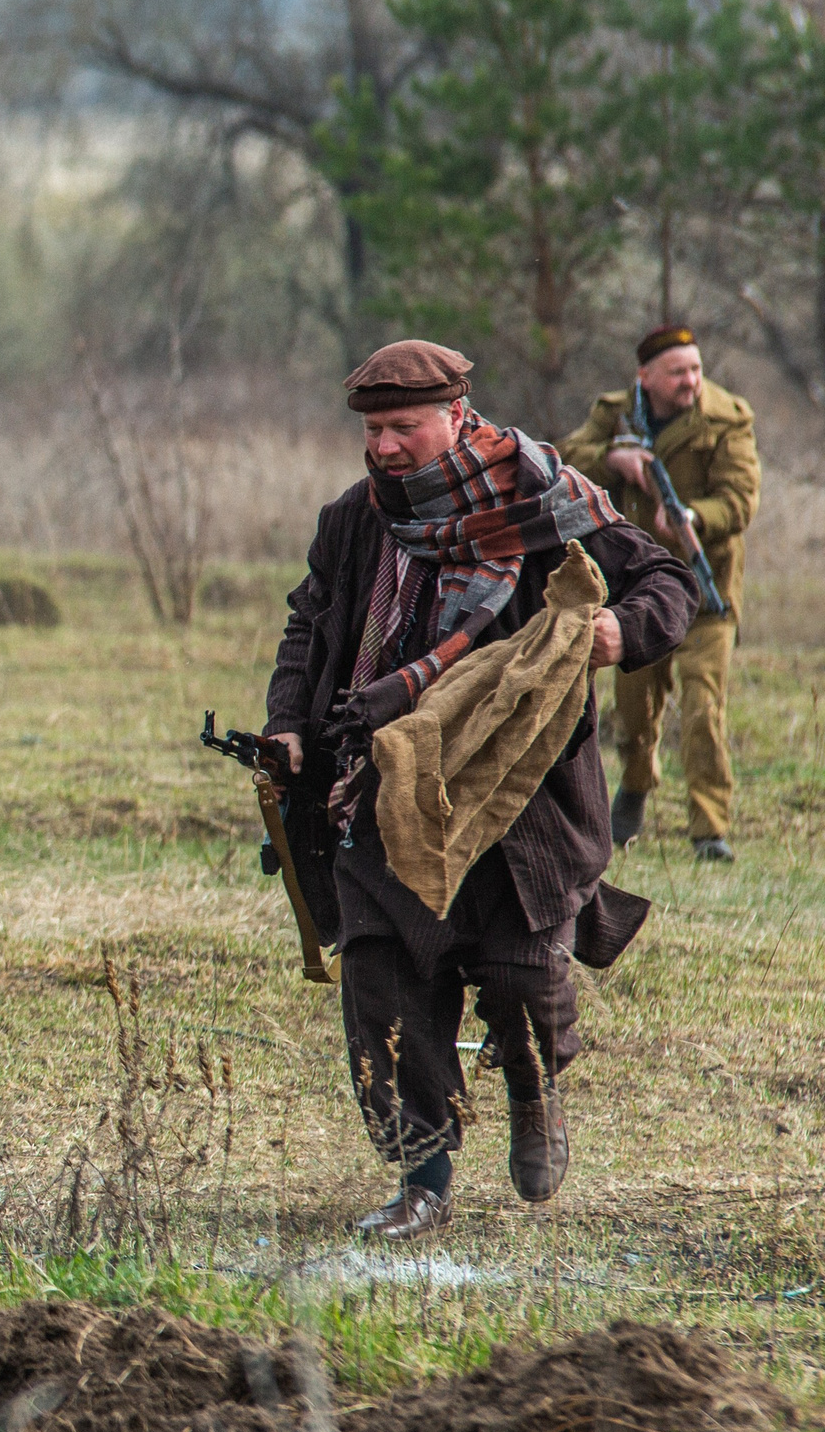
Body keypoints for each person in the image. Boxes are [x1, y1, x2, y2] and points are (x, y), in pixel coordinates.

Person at [265, 340, 693, 1241]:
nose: (382, 446)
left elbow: (667, 581)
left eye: (402, 427)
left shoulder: (544, 504)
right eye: (373, 428)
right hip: (382, 787)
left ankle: (536, 1098)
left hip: (518, 800)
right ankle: (423, 1178)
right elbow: (310, 624)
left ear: (456, 417)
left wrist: (619, 629)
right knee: (380, 980)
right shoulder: (354, 521)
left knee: (520, 974)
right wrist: (289, 725)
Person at [560, 323, 761, 864]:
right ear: (644, 377)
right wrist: (615, 461)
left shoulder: (727, 418)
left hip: (705, 585)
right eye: (678, 372)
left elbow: (741, 499)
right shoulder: (618, 413)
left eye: (696, 369)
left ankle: (709, 828)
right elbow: (564, 458)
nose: (691, 382)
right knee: (634, 705)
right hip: (636, 588)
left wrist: (693, 516)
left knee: (703, 703)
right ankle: (635, 786)